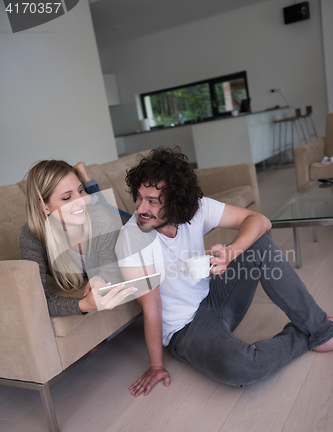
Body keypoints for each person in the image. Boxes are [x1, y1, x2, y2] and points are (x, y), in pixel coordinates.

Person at [115, 146, 333, 397]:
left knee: (258, 242)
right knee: (244, 367)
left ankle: (317, 327)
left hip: (215, 297)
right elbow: (151, 308)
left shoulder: (195, 208)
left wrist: (231, 252)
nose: (141, 208)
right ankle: (314, 331)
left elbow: (260, 220)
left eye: (152, 201)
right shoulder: (132, 238)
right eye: (139, 197)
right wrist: (156, 365)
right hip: (185, 329)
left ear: (176, 202)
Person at [21, 160, 137, 317]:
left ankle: (88, 181)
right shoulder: (32, 237)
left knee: (144, 225)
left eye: (81, 190)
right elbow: (38, 300)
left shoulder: (100, 218)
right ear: (44, 207)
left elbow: (111, 268)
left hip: (122, 225)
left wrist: (99, 277)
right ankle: (87, 179)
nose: (82, 200)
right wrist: (84, 305)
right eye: (67, 197)